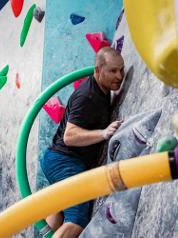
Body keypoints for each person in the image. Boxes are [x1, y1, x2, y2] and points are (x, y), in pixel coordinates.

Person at [40, 47, 125, 238]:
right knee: (77, 219)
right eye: (113, 71)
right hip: (64, 161)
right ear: (97, 70)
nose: (119, 76)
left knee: (59, 212)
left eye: (121, 69)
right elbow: (69, 136)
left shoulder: (101, 90)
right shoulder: (87, 96)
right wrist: (103, 133)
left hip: (61, 160)